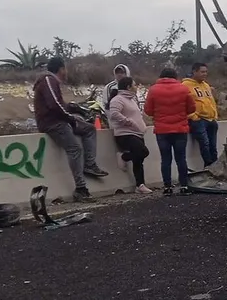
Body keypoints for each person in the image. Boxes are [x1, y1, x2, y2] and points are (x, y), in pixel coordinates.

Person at [33, 56, 108, 202]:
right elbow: (54, 105)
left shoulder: (51, 81)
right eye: (65, 69)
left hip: (59, 121)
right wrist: (71, 118)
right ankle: (81, 189)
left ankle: (90, 165)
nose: (66, 72)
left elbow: (60, 104)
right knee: (74, 149)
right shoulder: (49, 80)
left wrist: (76, 108)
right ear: (61, 69)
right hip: (53, 123)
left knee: (89, 129)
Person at [145, 67, 197, 196]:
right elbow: (192, 108)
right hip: (180, 129)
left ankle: (167, 187)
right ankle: (184, 186)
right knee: (181, 158)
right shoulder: (183, 88)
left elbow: (148, 110)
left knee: (165, 159)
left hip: (162, 130)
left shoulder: (153, 90)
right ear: (175, 76)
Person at [107, 76, 152, 194]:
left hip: (137, 133)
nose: (136, 87)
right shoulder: (118, 99)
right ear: (128, 87)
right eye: (134, 85)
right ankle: (123, 157)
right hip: (125, 134)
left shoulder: (132, 100)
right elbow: (114, 114)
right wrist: (129, 122)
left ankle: (140, 185)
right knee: (143, 152)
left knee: (139, 160)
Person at [183, 62, 220, 168]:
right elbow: (184, 103)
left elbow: (211, 101)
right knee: (205, 144)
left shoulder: (206, 85)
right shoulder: (186, 85)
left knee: (213, 146)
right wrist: (193, 116)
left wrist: (214, 115)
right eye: (202, 72)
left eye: (206, 72)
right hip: (199, 120)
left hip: (211, 119)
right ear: (194, 72)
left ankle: (215, 167)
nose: (205, 74)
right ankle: (208, 166)